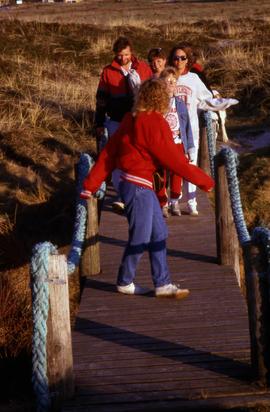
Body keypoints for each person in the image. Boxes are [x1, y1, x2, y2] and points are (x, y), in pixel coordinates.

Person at [81, 78, 214, 299]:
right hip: (139, 186)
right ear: (162, 99)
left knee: (159, 232)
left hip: (133, 183)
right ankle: (125, 280)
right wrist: (205, 181)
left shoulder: (130, 119)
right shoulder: (154, 123)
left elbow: (108, 155)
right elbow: (175, 161)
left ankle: (162, 283)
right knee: (140, 236)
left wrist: (90, 184)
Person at [95, 36, 152, 211]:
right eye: (119, 55)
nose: (123, 58)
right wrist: (98, 122)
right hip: (116, 121)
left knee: (140, 155)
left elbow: (152, 92)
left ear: (131, 52)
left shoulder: (142, 67)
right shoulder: (108, 72)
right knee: (118, 157)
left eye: (126, 54)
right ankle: (121, 194)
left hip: (139, 121)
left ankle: (142, 190)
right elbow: (101, 100)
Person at [168, 42, 213, 216]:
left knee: (191, 166)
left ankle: (192, 202)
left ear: (188, 60)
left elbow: (206, 98)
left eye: (182, 58)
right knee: (172, 167)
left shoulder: (194, 79)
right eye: (176, 58)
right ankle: (173, 200)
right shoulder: (168, 77)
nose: (179, 61)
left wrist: (215, 106)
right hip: (172, 132)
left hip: (191, 131)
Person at [157, 67, 195, 218]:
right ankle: (162, 203)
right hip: (162, 145)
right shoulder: (158, 103)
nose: (171, 84)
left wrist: (190, 147)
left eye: (173, 81)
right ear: (161, 83)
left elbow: (187, 127)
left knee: (177, 174)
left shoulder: (180, 103)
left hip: (178, 143)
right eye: (167, 81)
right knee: (161, 174)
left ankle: (174, 201)